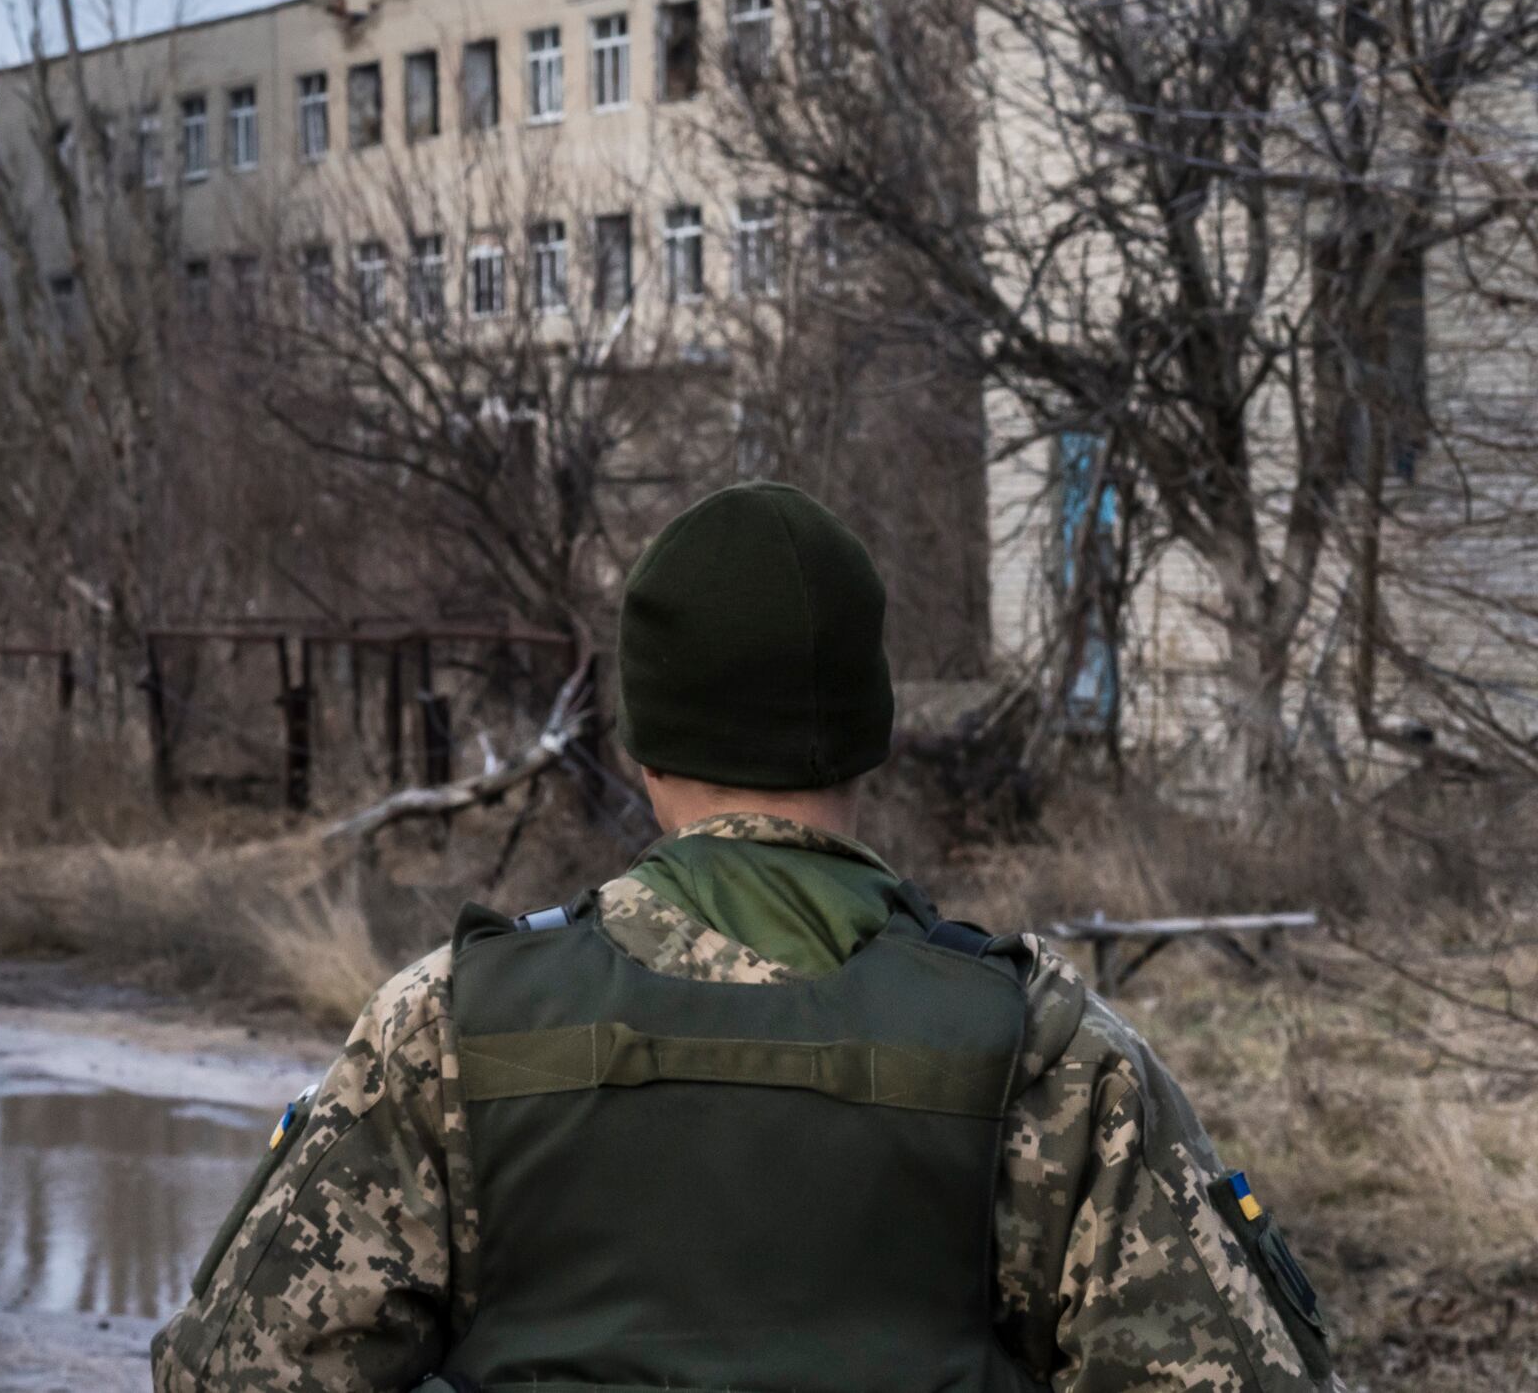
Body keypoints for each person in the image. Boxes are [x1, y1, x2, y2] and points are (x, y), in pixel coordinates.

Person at [153, 481, 1335, 1393]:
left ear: (641, 740)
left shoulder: (446, 1031)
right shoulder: (1051, 1056)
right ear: (867, 734)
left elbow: (233, 1372)